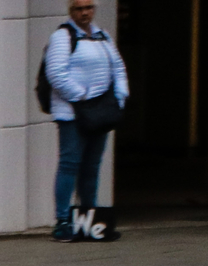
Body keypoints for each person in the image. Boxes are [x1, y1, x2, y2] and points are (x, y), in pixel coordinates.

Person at [45, 0, 127, 240]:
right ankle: (62, 220)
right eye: (79, 9)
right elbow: (56, 73)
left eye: (89, 8)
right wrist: (82, 97)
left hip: (99, 113)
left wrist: (119, 97)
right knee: (70, 165)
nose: (85, 13)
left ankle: (90, 219)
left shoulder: (103, 36)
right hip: (73, 114)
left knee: (91, 167)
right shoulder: (62, 37)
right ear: (71, 11)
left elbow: (118, 67)